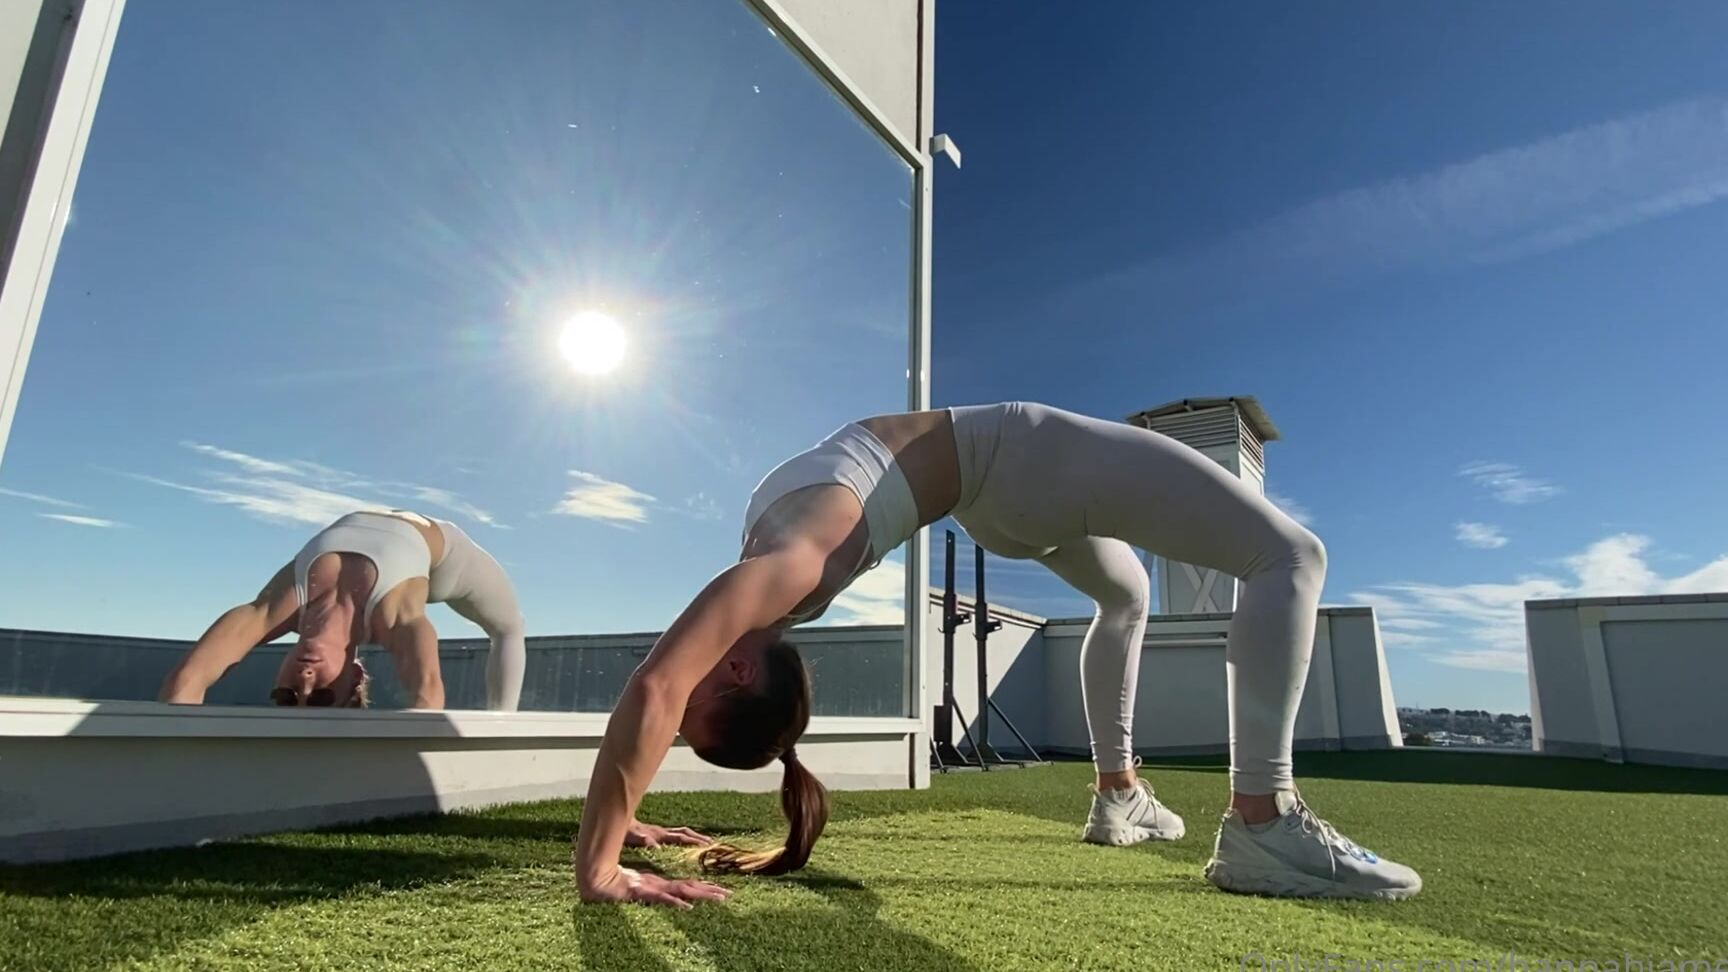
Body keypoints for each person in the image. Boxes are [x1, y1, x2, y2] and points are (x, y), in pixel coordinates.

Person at [572, 402, 1422, 908]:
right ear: (739, 672)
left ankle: (1117, 793)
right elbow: (656, 687)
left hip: (996, 506)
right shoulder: (790, 568)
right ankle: (1263, 823)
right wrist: (600, 865)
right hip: (1017, 458)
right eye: (693, 715)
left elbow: (657, 693)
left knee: (1126, 595)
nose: (670, 707)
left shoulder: (774, 588)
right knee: (1290, 556)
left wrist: (623, 817)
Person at [159, 508, 527, 710]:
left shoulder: (279, 607)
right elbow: (428, 700)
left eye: (285, 696)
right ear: (353, 677)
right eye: (320, 696)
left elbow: (184, 684)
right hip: (446, 557)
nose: (303, 682)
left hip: (380, 522)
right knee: (508, 628)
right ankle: (505, 719)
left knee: (507, 629)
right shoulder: (392, 618)